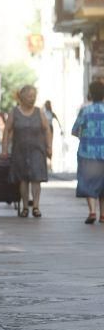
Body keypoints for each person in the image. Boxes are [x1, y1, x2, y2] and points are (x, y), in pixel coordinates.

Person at [2, 85, 52, 218]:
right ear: (22, 97)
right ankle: (25, 207)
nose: (33, 99)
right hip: (20, 151)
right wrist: (4, 149)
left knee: (36, 179)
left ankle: (35, 206)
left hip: (37, 150)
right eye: (30, 96)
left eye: (34, 96)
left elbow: (47, 129)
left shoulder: (39, 111)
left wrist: (49, 146)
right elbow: (7, 130)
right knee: (23, 179)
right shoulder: (14, 112)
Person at [72, 81, 104, 224]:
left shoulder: (85, 111)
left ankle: (92, 211)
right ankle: (103, 215)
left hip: (87, 153)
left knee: (89, 181)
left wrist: (84, 136)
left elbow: (75, 130)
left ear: (90, 94)